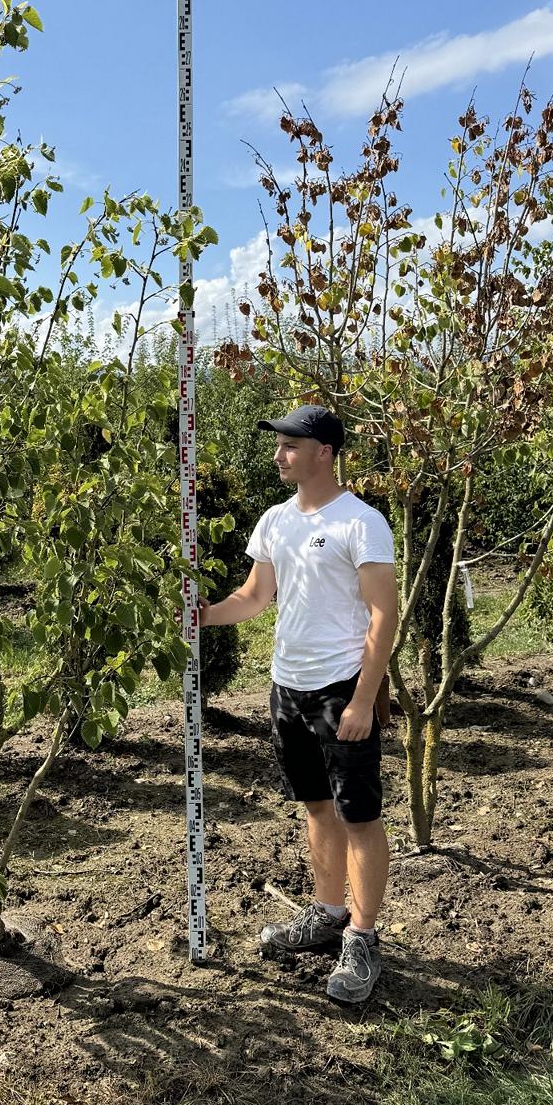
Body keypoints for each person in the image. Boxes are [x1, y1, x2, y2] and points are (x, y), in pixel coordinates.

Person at [199, 405, 398, 1003]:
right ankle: (328, 911)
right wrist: (203, 616)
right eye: (279, 443)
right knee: (316, 808)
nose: (279, 454)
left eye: (290, 444)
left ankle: (362, 939)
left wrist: (363, 701)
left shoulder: (361, 522)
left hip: (342, 691)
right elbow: (256, 596)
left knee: (359, 817)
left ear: (323, 453)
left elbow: (383, 614)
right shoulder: (275, 522)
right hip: (287, 688)